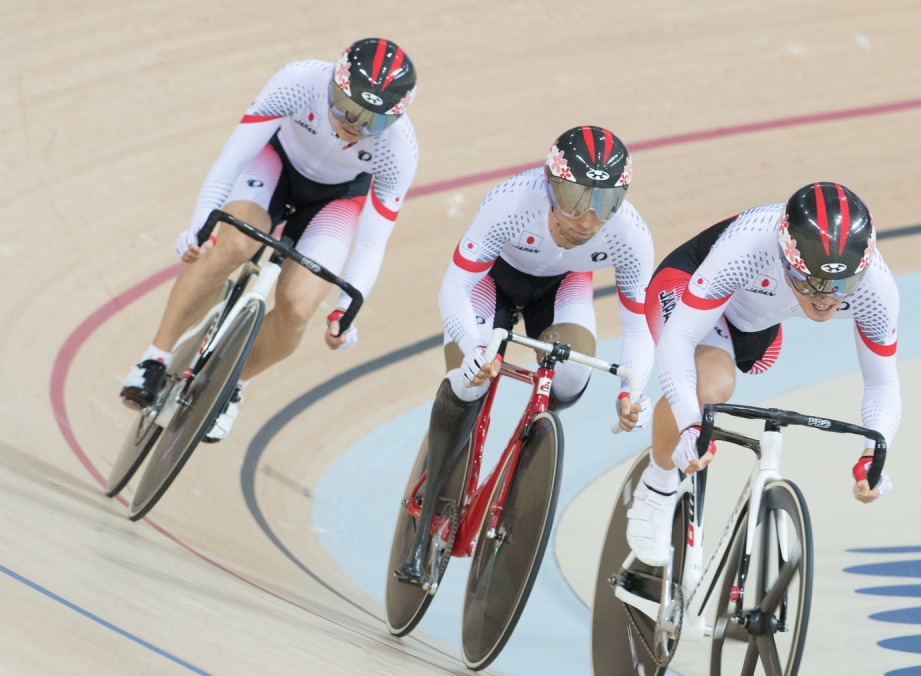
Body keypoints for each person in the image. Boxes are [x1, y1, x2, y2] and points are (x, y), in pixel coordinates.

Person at [120, 38, 419, 441]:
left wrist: (347, 310)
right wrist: (200, 228)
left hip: (336, 201)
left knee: (297, 307)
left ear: (394, 119)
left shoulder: (399, 150)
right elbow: (233, 159)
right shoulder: (299, 81)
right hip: (275, 163)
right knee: (233, 244)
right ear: (332, 83)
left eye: (373, 121)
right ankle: (154, 357)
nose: (355, 125)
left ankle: (231, 384)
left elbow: (371, 244)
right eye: (346, 107)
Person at [394, 125, 655, 584]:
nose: (587, 220)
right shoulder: (512, 203)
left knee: (572, 379)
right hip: (491, 282)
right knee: (467, 380)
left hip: (562, 289)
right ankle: (427, 510)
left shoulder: (629, 234)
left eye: (605, 204)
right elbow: (454, 286)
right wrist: (475, 349)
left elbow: (639, 327)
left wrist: (632, 390)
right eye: (575, 197)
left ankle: (523, 464)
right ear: (551, 184)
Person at [627, 182, 901, 566]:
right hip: (689, 284)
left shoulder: (876, 286)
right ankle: (656, 486)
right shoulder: (750, 245)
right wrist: (691, 423)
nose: (827, 299)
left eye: (842, 285)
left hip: (758, 312)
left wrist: (876, 450)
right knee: (713, 385)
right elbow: (679, 339)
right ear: (787, 260)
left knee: (758, 360)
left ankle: (757, 328)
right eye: (813, 283)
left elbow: (883, 382)